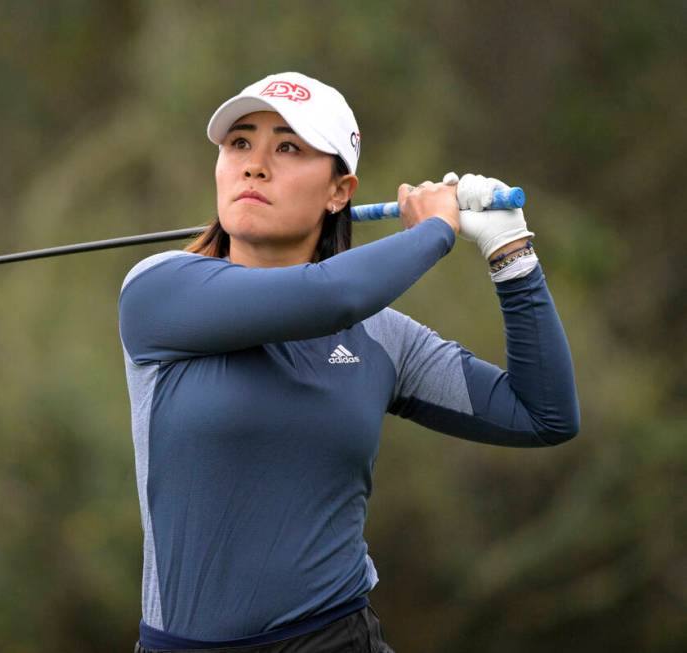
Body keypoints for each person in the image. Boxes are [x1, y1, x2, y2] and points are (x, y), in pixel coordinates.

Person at [118, 72, 579, 653]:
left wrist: (512, 253)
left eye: (288, 147)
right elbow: (330, 296)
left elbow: (543, 415)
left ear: (340, 191)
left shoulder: (382, 339)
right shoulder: (159, 292)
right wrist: (436, 228)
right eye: (240, 143)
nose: (254, 165)